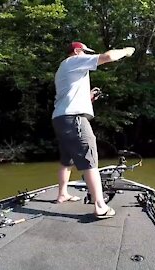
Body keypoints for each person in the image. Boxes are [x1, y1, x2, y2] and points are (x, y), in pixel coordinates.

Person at [52, 41, 135, 218]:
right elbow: (109, 56)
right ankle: (100, 206)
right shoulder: (73, 61)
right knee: (90, 159)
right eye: (84, 52)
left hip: (61, 119)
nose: (87, 55)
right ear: (76, 51)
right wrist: (126, 51)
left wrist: (89, 97)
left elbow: (70, 96)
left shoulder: (63, 69)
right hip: (75, 119)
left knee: (67, 160)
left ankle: (62, 194)